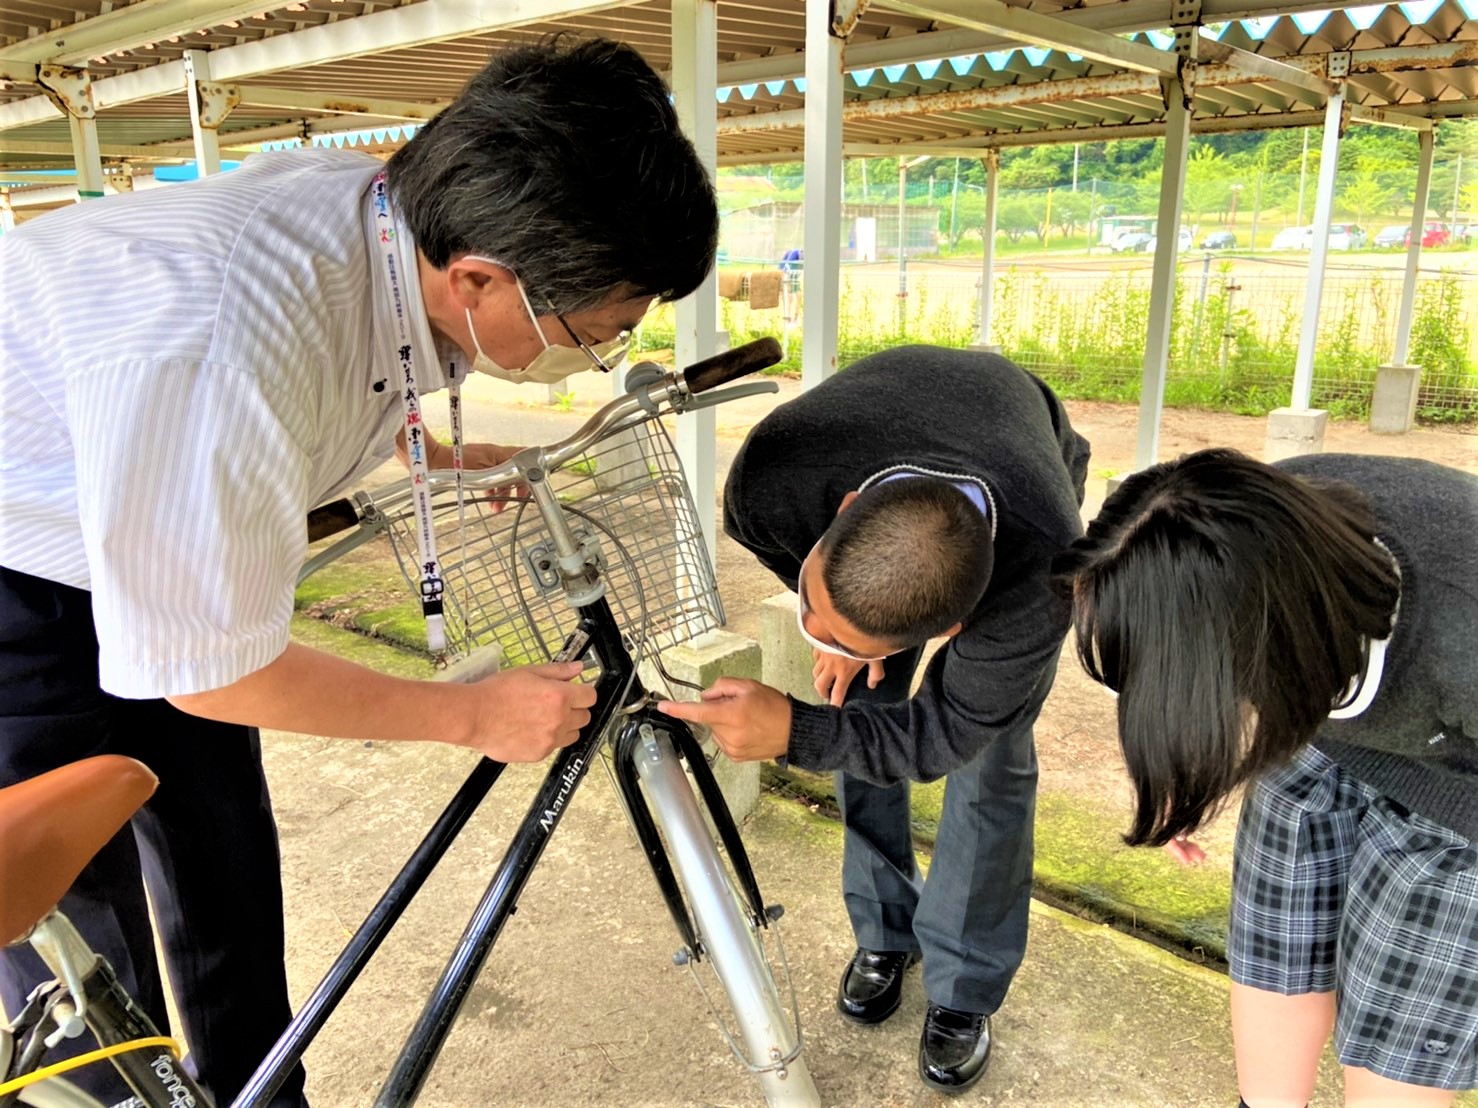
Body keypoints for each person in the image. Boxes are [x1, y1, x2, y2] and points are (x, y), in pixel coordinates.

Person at [0, 37, 717, 1107]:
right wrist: (465, 715)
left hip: (135, 497)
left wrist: (414, 444)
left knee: (226, 869)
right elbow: (209, 670)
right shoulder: (222, 342)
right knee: (76, 929)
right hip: (20, 573)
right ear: (478, 276)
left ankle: (260, 1093)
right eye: (596, 329)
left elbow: (354, 354)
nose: (603, 348)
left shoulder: (388, 206)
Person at [662, 345, 1090, 1094]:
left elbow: (949, 732)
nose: (813, 631)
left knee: (991, 758)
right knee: (855, 708)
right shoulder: (773, 477)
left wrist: (793, 734)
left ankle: (964, 986)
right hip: (876, 435)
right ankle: (886, 930)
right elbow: (805, 574)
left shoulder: (1041, 577)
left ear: (955, 630)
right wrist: (843, 648)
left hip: (1025, 456)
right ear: (845, 509)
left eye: (832, 629)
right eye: (813, 606)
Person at [1051, 448, 1477, 1107]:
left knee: (1402, 1017)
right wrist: (1181, 771)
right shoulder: (1233, 525)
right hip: (1314, 714)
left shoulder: (1462, 629)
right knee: (1277, 940)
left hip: (1461, 790)